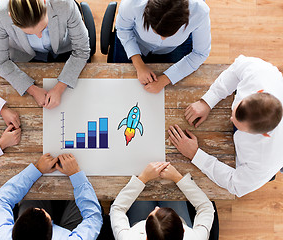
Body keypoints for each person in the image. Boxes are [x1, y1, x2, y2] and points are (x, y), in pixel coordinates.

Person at [168, 55, 283, 197]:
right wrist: (208, 101)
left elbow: (234, 184)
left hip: (266, 160)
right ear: (258, 92)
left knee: (261, 177)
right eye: (235, 111)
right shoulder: (260, 72)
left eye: (239, 125)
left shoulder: (265, 160)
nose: (230, 118)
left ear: (264, 134)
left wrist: (195, 154)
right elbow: (236, 69)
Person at [0, 0, 90, 109]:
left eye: (43, 28)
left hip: (63, 49)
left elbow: (82, 50)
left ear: (45, 3)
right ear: (11, 17)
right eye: (29, 33)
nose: (39, 36)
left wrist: (60, 87)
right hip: (25, 56)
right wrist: (31, 89)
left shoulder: (64, 3)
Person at [0, 153, 103, 240]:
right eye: (42, 212)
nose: (41, 210)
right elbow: (93, 218)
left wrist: (37, 169)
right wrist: (75, 174)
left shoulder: (2, 236)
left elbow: (1, 200)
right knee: (86, 194)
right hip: (68, 231)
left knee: (33, 192)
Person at [114, 0, 211, 94]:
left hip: (174, 48)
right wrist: (139, 64)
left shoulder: (200, 11)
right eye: (155, 31)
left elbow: (200, 53)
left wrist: (165, 79)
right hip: (134, 40)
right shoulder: (131, 3)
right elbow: (123, 29)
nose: (163, 39)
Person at [110, 162, 214, 240]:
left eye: (155, 211)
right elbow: (206, 208)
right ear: (183, 230)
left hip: (139, 224)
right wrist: (177, 178)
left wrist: (143, 178)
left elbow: (117, 209)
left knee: (139, 170)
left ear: (146, 238)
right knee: (170, 187)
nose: (157, 208)